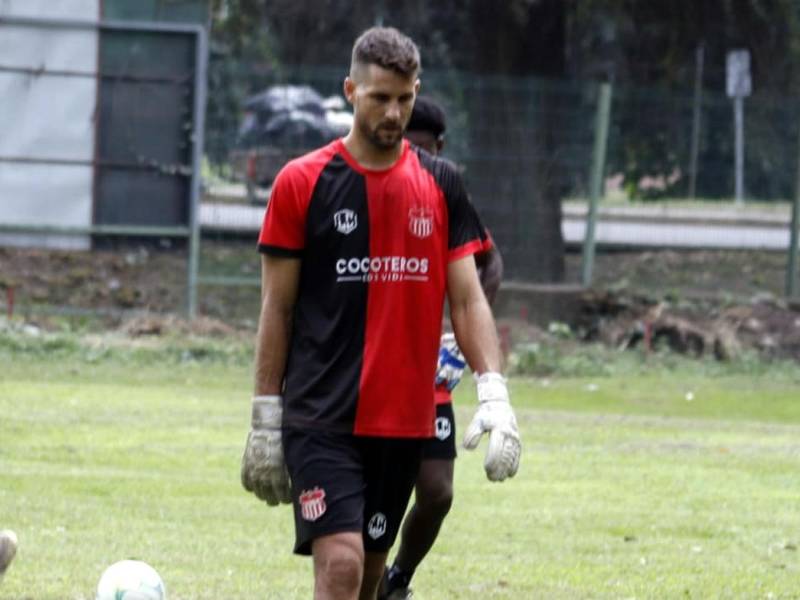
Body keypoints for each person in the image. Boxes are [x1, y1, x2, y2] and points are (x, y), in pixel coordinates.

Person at [240, 27, 521, 600]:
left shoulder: (442, 184)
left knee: (370, 577)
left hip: (403, 420)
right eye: (380, 98)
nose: (394, 112)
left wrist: (494, 391)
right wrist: (266, 414)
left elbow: (467, 299)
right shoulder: (302, 182)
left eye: (405, 97)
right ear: (350, 90)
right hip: (321, 414)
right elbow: (278, 307)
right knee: (340, 566)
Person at [379, 96, 504, 600]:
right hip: (372, 366)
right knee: (371, 497)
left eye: (422, 147)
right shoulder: (367, 182)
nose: (412, 156)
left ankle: (398, 580)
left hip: (426, 373)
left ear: (438, 147)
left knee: (436, 490)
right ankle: (364, 576)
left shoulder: (442, 185)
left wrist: (456, 337)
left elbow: (490, 264)